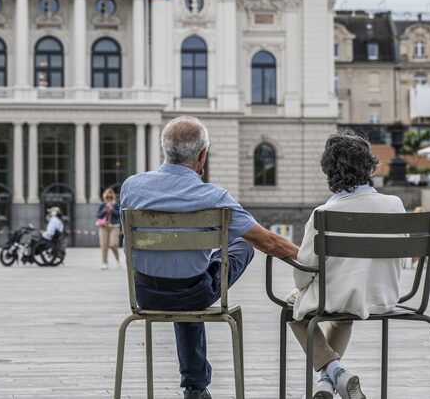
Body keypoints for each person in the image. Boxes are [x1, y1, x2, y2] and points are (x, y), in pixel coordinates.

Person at [120, 116, 298, 399]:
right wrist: (310, 258)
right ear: (202, 154)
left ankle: (195, 386)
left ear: (165, 149)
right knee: (240, 246)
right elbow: (268, 242)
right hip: (195, 294)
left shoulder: (131, 187)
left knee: (183, 276)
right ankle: (194, 387)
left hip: (145, 294)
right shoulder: (214, 197)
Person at [288, 132, 402, 398]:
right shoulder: (395, 205)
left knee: (292, 308)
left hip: (341, 297)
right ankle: (326, 384)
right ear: (370, 168)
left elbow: (302, 277)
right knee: (343, 317)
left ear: (328, 171)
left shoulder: (324, 214)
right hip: (385, 296)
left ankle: (336, 371)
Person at [96, 188, 122, 269]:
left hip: (114, 227)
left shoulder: (116, 205)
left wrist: (112, 210)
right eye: (107, 197)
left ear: (113, 197)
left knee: (113, 244)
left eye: (110, 197)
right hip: (104, 226)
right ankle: (104, 263)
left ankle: (118, 259)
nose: (109, 199)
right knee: (104, 245)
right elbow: (98, 215)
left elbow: (119, 215)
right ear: (105, 197)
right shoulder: (102, 205)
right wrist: (105, 210)